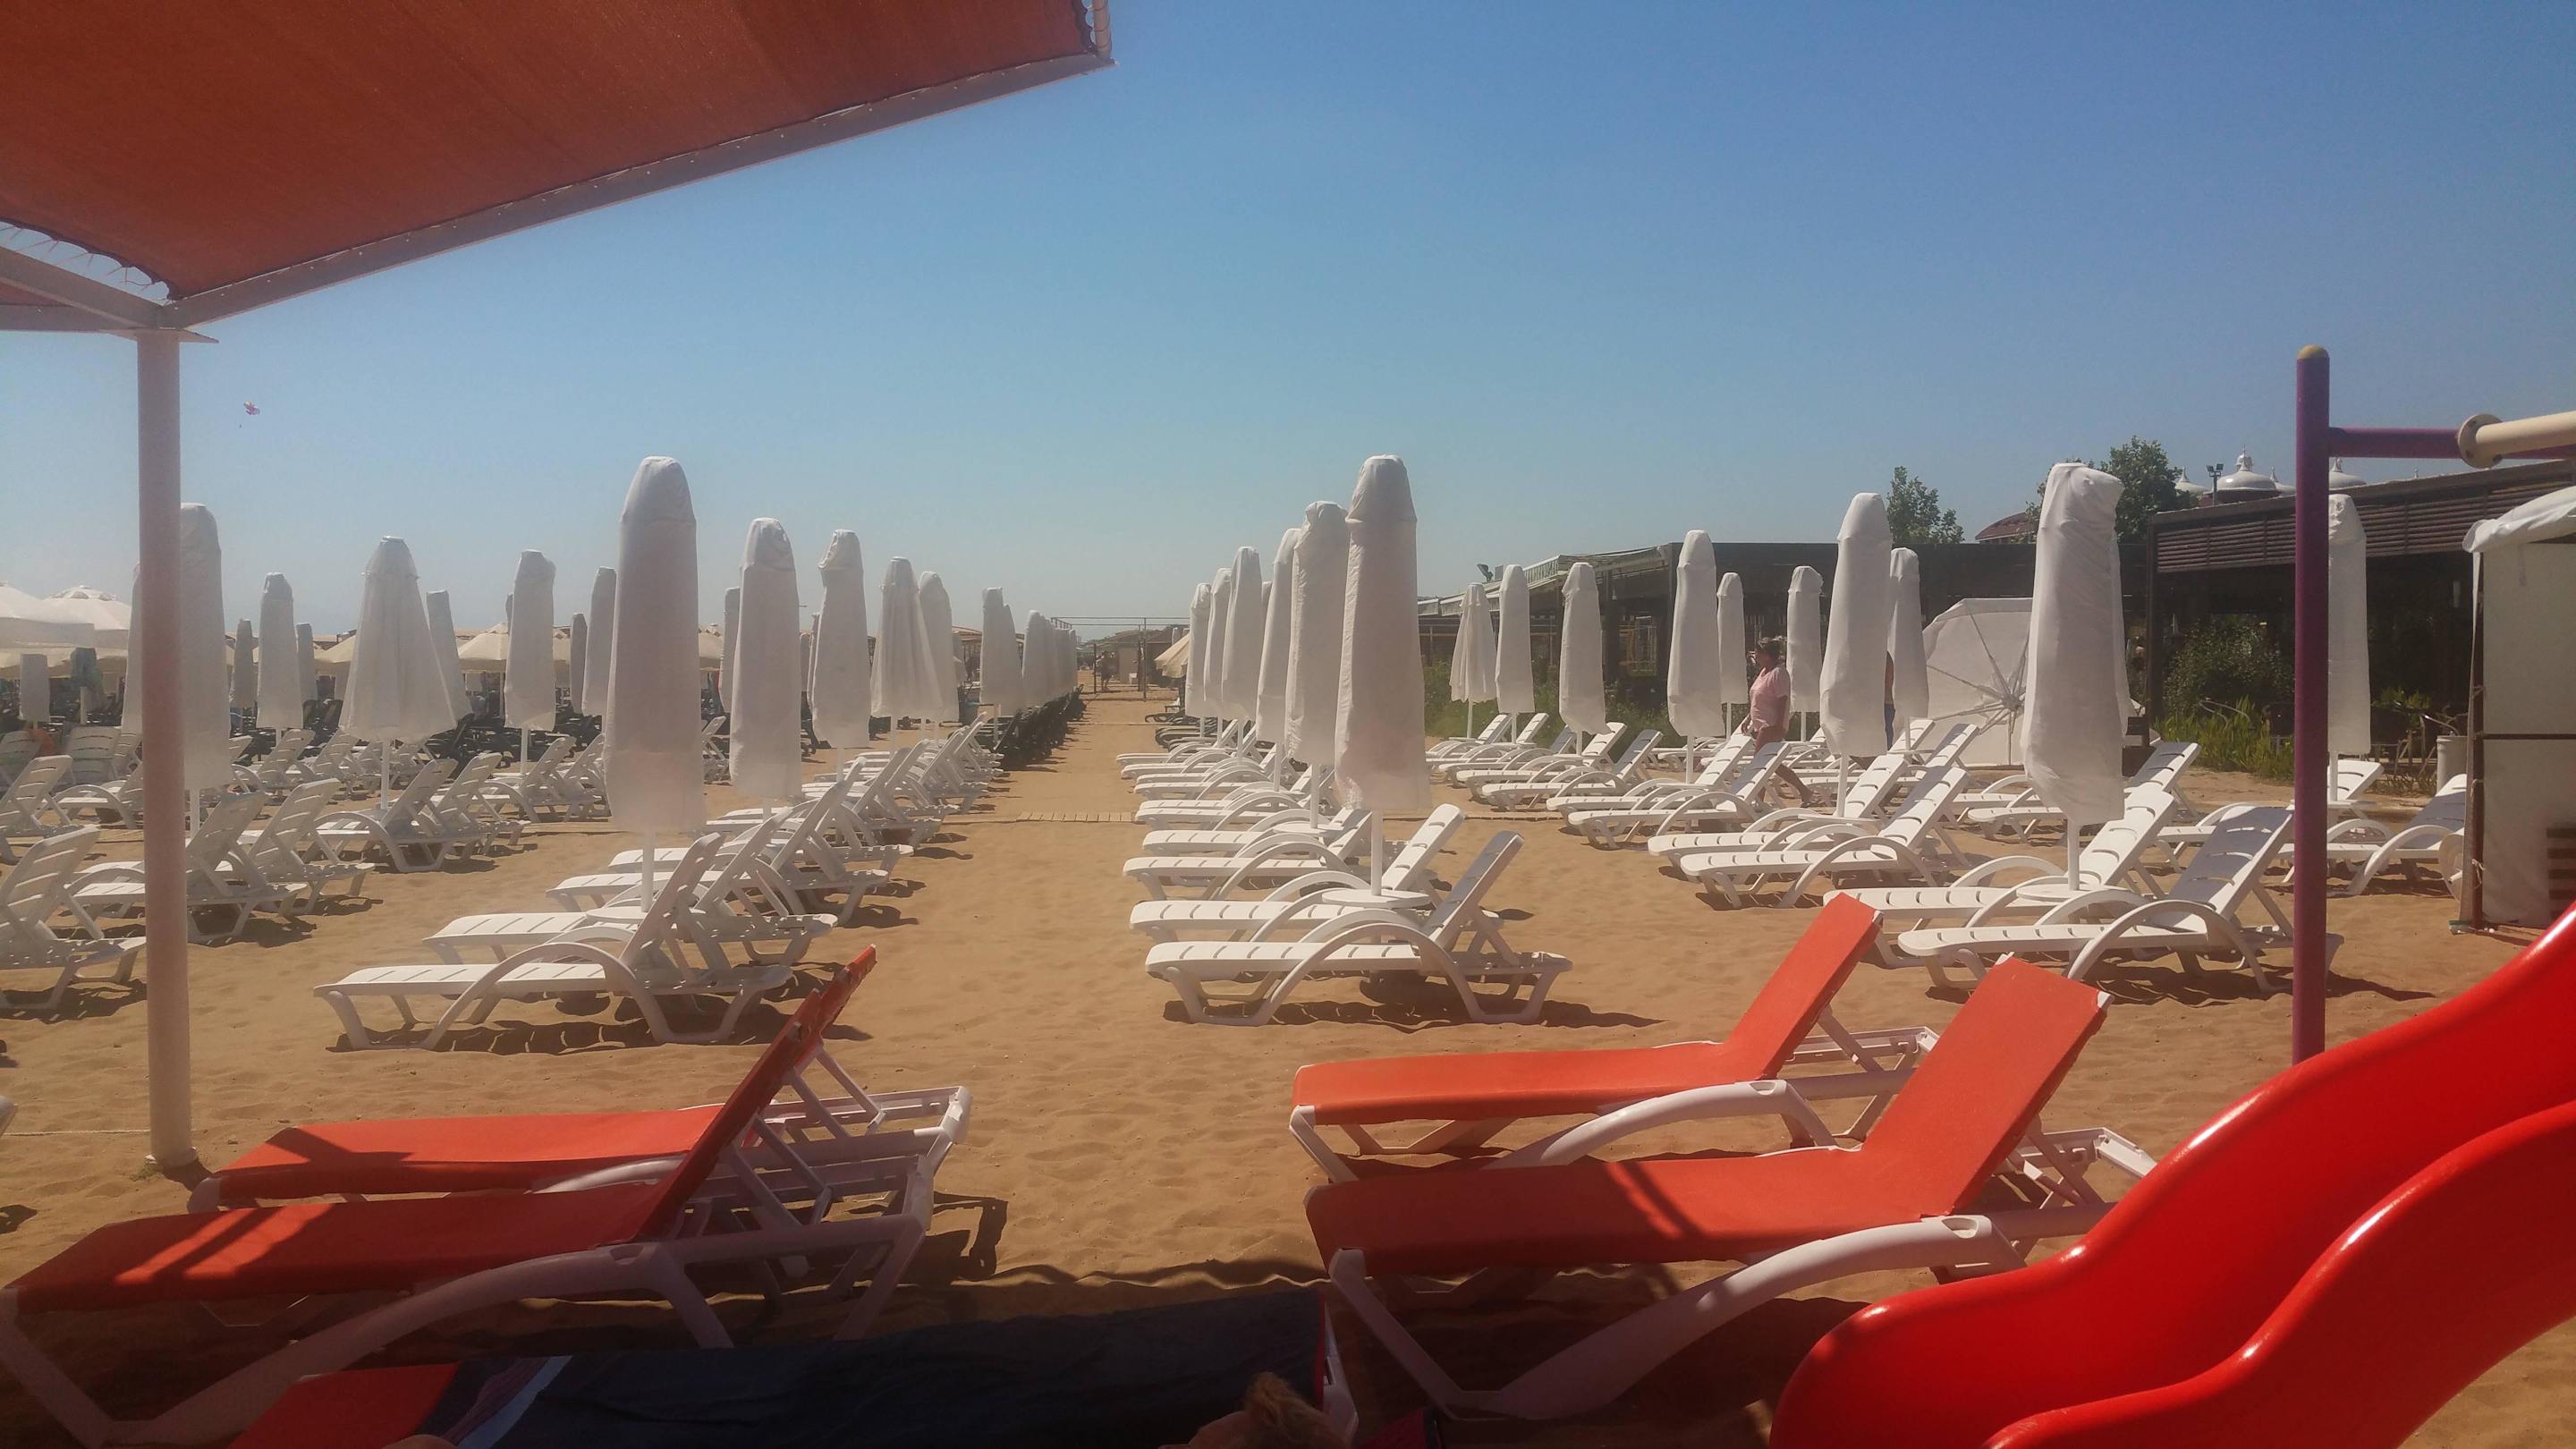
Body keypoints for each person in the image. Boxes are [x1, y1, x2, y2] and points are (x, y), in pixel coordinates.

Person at [1746, 636, 1789, 747]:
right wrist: (1748, 719)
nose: (1755, 656)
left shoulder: (1778, 673)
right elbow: (1757, 699)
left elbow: (1782, 699)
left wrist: (1778, 727)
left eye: (1757, 653)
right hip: (1761, 727)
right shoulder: (1764, 671)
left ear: (1766, 655)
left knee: (1760, 756)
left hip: (1770, 726)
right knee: (1765, 757)